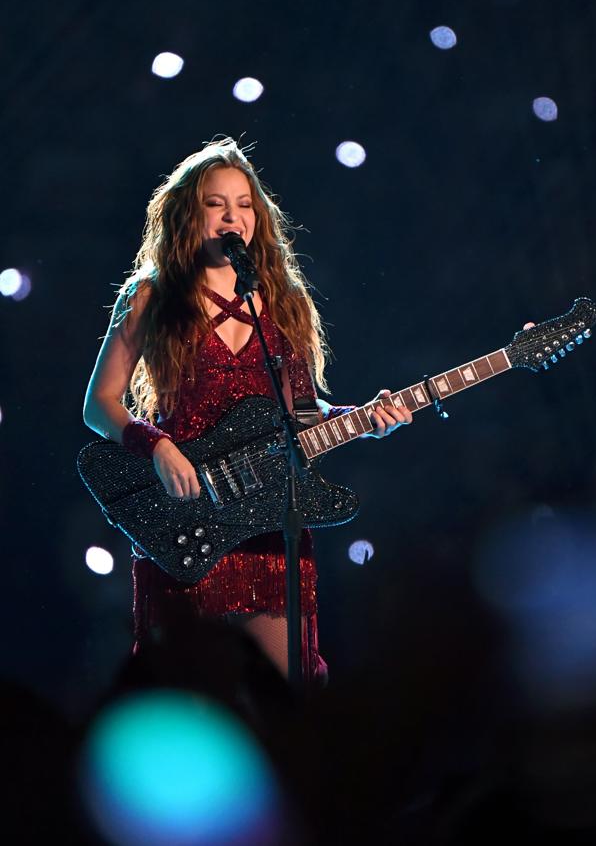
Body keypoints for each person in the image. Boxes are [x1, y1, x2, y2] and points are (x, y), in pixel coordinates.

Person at [83, 137, 411, 684]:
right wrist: (155, 444)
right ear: (191, 213)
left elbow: (301, 414)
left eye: (244, 204)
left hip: (269, 517)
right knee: (184, 696)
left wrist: (366, 419)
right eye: (217, 203)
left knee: (285, 694)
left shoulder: (284, 300)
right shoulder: (152, 294)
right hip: (185, 515)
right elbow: (100, 404)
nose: (232, 215)